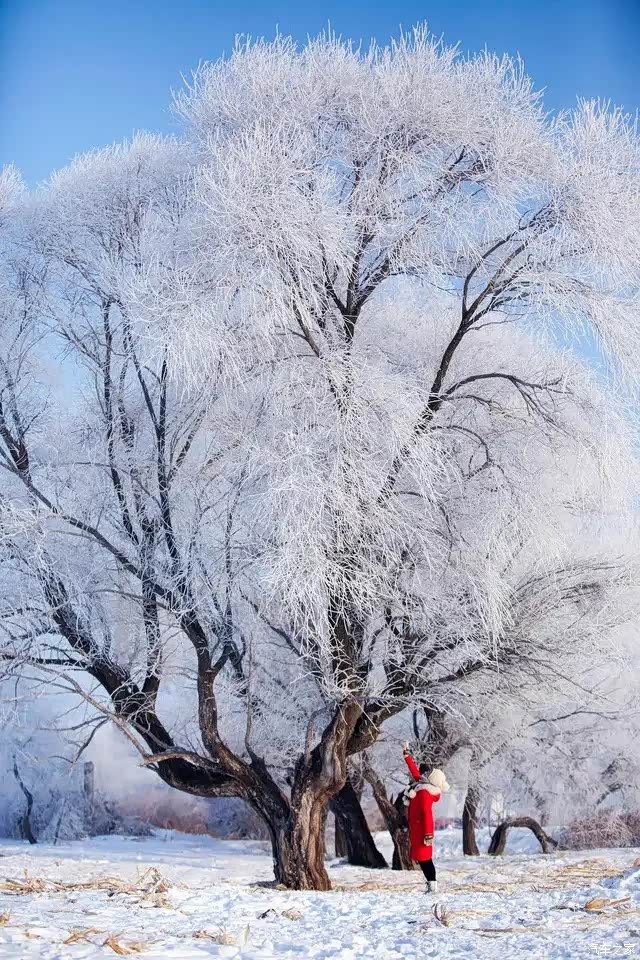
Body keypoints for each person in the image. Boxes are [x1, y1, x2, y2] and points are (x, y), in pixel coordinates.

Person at [402, 741, 450, 893]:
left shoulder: (424, 793)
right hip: (418, 830)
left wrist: (429, 835)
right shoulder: (422, 786)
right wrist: (407, 756)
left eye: (428, 774)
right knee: (423, 859)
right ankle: (431, 885)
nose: (425, 774)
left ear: (432, 780)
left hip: (423, 832)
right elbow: (415, 773)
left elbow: (427, 814)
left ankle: (432, 886)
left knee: (425, 860)